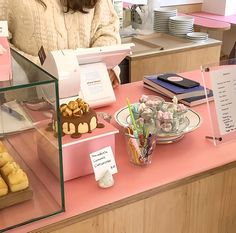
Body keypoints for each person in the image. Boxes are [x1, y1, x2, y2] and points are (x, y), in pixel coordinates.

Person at [0, 0, 121, 88]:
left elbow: (107, 29)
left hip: (90, 93)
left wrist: (101, 66)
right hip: (29, 102)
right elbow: (3, 46)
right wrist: (45, 70)